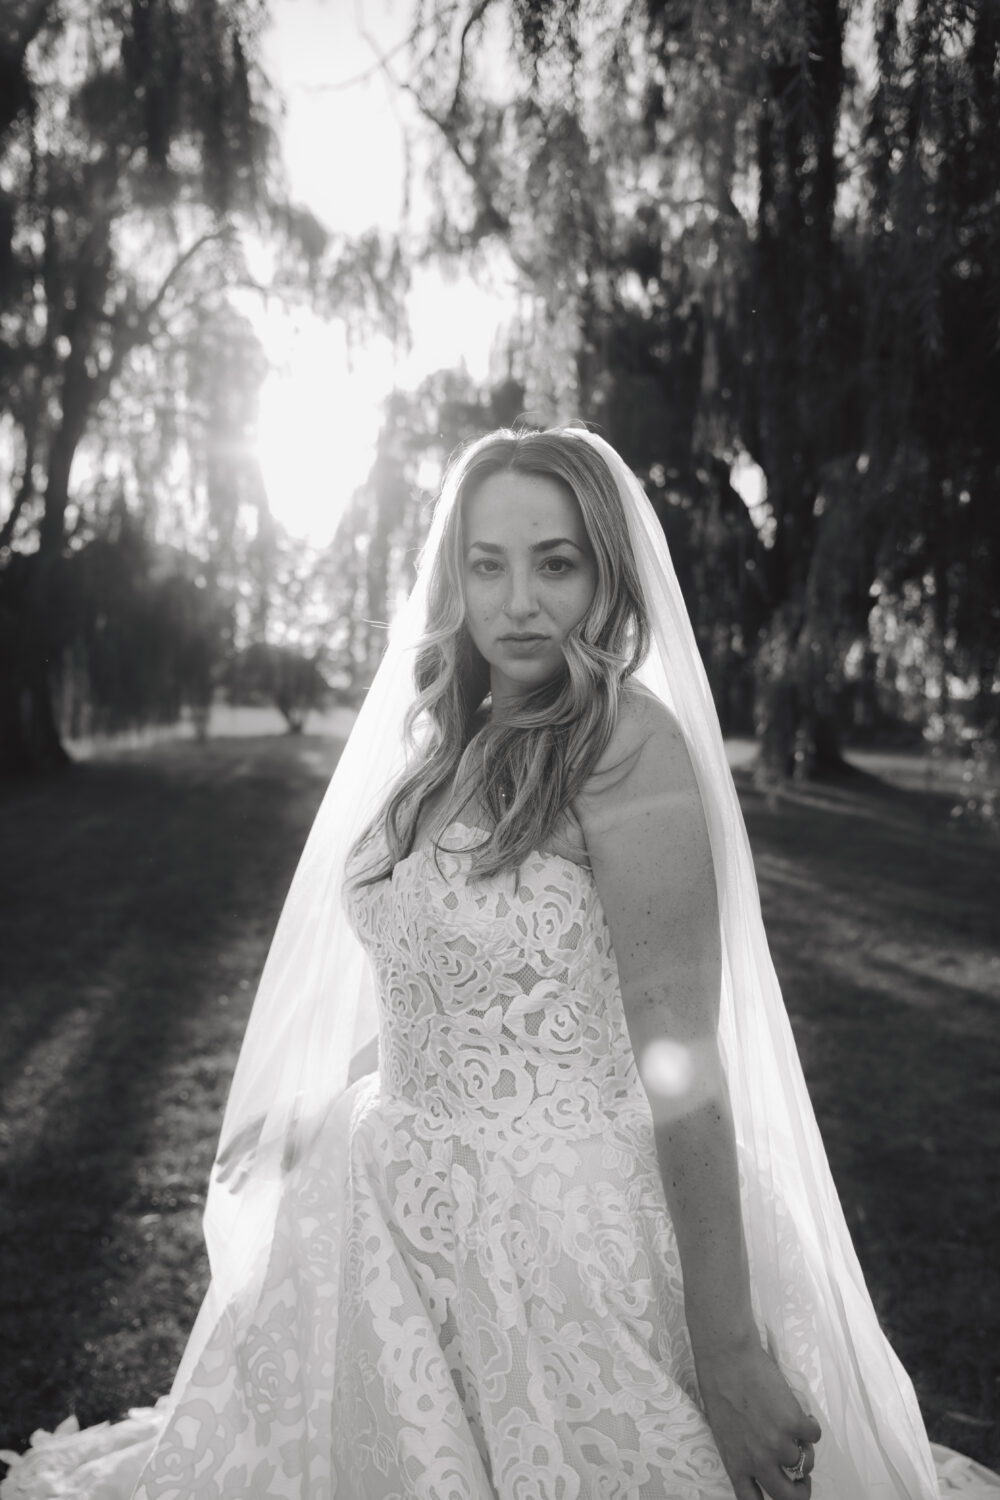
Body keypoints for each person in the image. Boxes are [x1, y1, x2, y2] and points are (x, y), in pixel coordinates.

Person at [2, 427, 998, 1499]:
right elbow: (453, 984)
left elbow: (678, 1052)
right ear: (455, 575)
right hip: (387, 1214)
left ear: (603, 573)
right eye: (488, 564)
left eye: (554, 563)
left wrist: (725, 1347)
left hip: (559, 1240)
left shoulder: (625, 745)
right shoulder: (450, 744)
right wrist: (320, 1115)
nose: (517, 599)